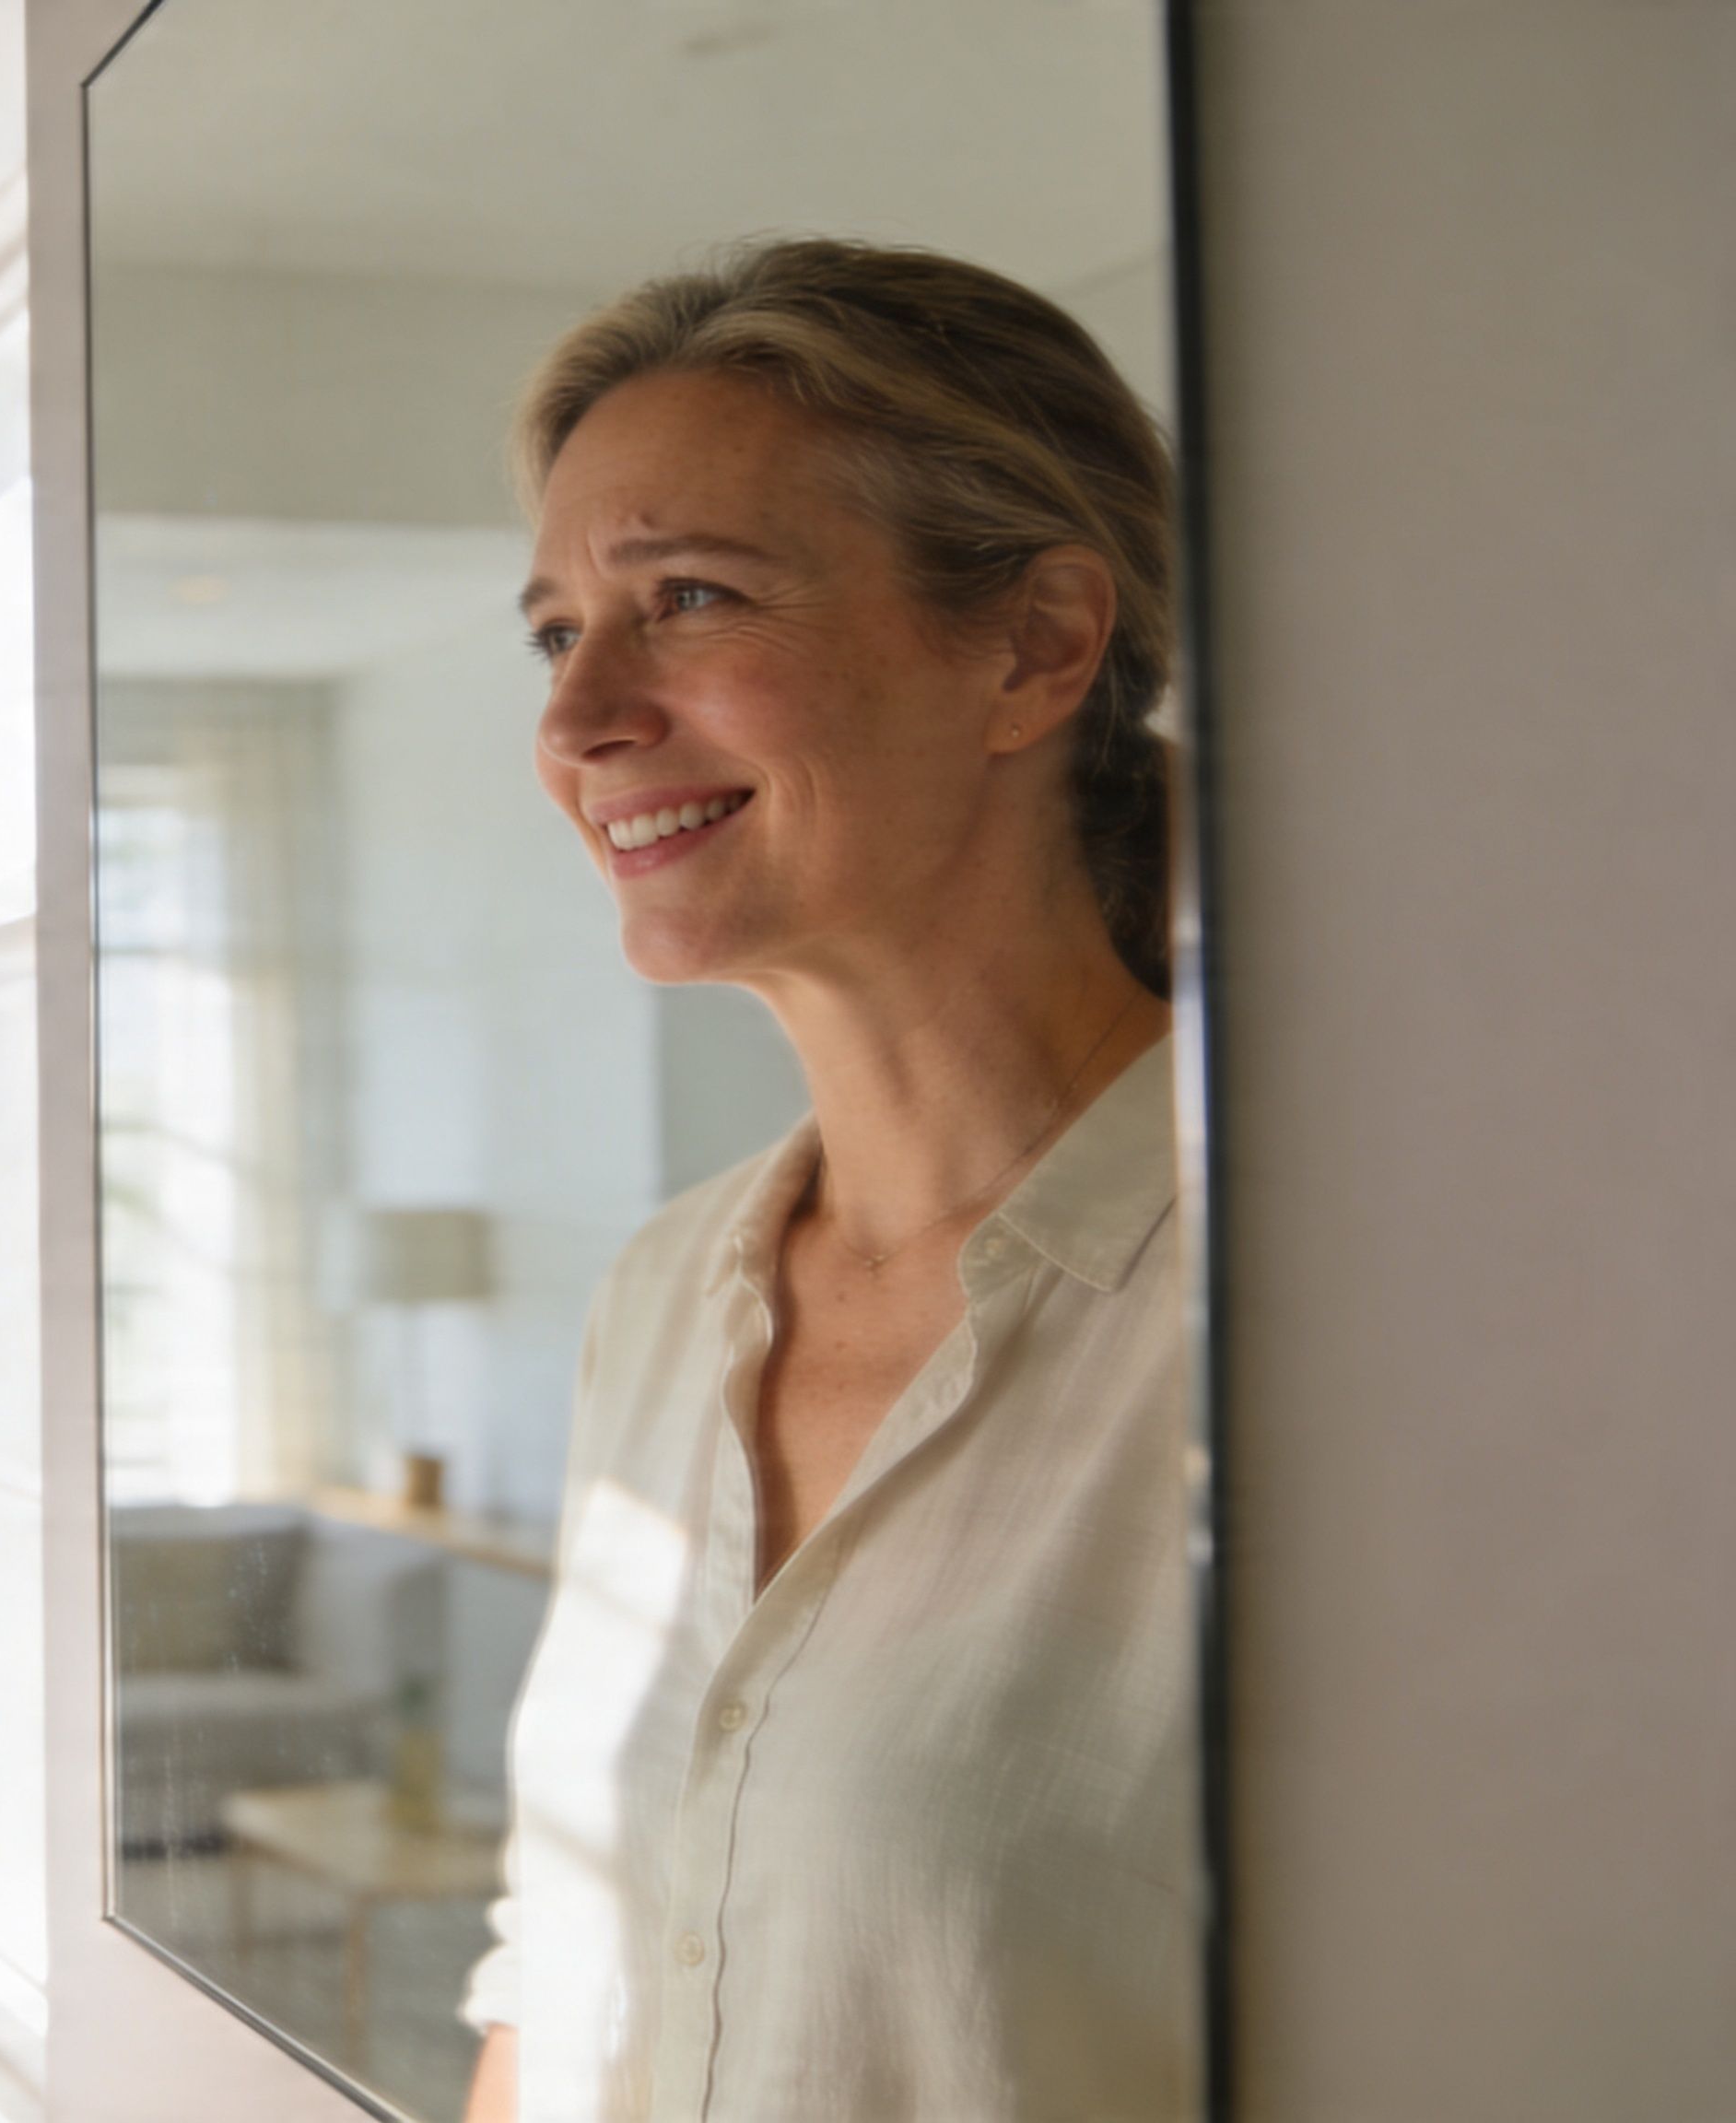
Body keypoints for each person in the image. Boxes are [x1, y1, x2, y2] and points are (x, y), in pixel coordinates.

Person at [462, 240, 1196, 2122]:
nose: (576, 719)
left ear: (1035, 647)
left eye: (687, 598)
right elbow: (560, 1972)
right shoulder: (662, 1292)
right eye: (556, 633)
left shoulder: (1313, 1305)